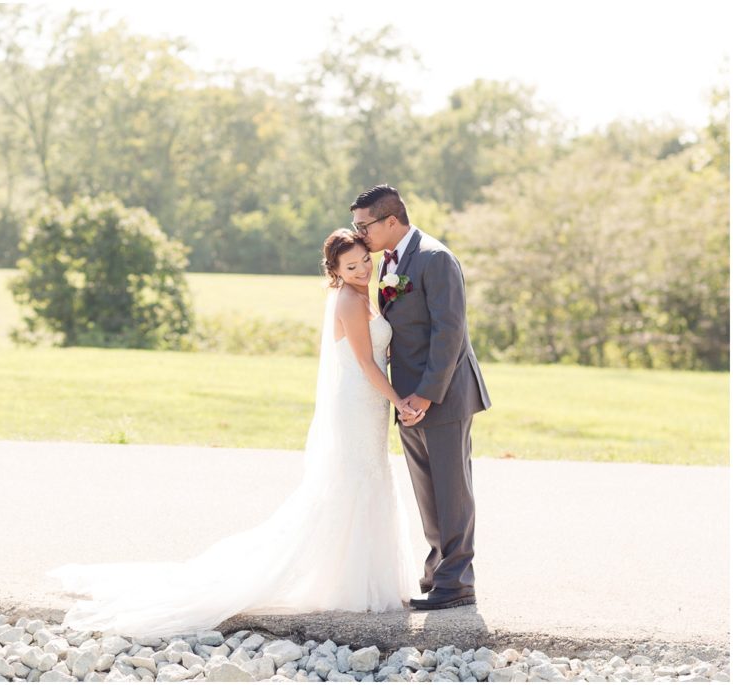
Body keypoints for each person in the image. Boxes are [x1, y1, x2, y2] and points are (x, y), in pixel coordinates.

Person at [44, 229, 418, 639]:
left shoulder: (367, 293)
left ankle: (361, 574)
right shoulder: (348, 300)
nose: (363, 269)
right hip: (358, 399)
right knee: (355, 480)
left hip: (369, 402)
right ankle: (351, 582)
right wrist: (400, 401)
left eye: (365, 260)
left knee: (369, 475)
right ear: (335, 271)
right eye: (352, 266)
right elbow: (366, 363)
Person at [349, 184, 491, 611]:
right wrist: (401, 398)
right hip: (406, 399)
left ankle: (458, 582)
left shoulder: (435, 258)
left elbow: (450, 334)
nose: (359, 234)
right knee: (428, 491)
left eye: (364, 225)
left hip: (443, 395)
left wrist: (426, 396)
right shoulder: (390, 262)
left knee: (452, 490)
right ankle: (437, 571)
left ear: (391, 221)